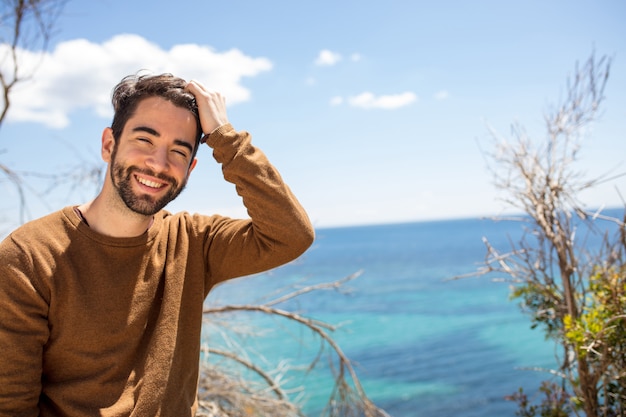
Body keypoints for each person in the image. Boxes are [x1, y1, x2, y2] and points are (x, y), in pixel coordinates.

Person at [0, 73, 315, 416]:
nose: (159, 163)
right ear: (109, 145)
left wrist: (227, 139)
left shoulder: (194, 242)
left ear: (191, 168)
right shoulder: (28, 256)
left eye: (178, 151)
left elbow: (291, 235)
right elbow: (10, 405)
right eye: (144, 140)